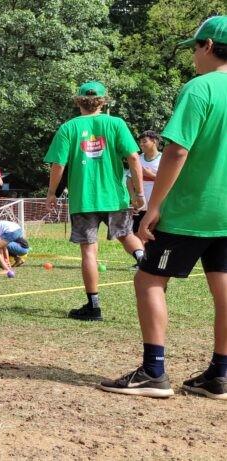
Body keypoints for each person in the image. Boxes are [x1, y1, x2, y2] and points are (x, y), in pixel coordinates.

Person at [98, 16, 227, 400]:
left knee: (149, 279)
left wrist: (153, 208)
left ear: (206, 46)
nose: (192, 56)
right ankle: (220, 374)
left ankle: (154, 372)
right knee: (223, 285)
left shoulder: (200, 88)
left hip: (191, 209)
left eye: (194, 48)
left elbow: (177, 150)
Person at [44, 81, 146, 321]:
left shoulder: (69, 127)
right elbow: (133, 156)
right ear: (103, 101)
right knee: (126, 235)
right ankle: (144, 263)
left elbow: (58, 164)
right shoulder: (116, 123)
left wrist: (52, 193)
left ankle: (94, 307)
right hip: (114, 197)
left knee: (89, 252)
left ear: (78, 100)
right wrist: (139, 193)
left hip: (84, 200)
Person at [126, 130, 162, 233]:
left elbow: (169, 181)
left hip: (157, 206)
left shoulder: (163, 159)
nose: (141, 144)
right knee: (137, 233)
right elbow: (129, 179)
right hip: (140, 205)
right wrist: (133, 196)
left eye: (144, 141)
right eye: (140, 142)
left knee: (155, 234)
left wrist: (150, 175)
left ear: (154, 141)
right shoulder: (138, 159)